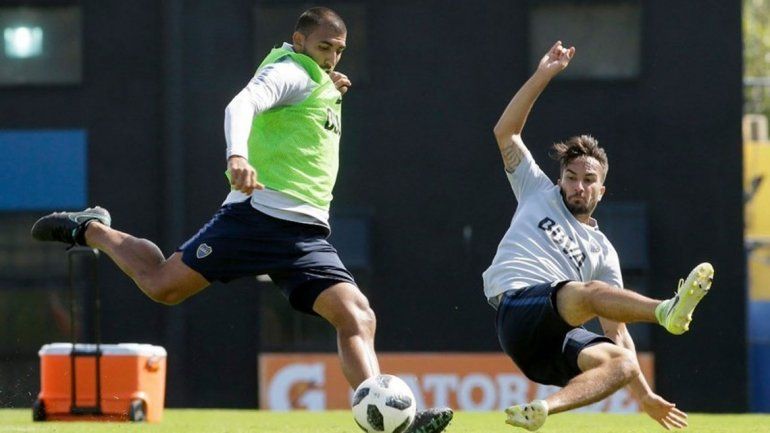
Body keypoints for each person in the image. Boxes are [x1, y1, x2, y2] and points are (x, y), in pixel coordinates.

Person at [31, 7, 452, 432]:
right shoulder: (291, 70)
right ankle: (93, 229)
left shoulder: (316, 78)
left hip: (305, 236)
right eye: (323, 47)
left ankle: (392, 421)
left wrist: (327, 84)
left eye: (339, 50)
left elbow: (303, 108)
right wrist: (237, 156)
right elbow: (241, 103)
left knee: (357, 315)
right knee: (162, 285)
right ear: (299, 40)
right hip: (255, 220)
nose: (331, 57)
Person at [483, 41, 713, 431]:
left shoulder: (603, 250)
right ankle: (666, 310)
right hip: (518, 310)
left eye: (588, 180)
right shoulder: (537, 190)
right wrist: (544, 74)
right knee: (588, 292)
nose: (578, 186)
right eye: (571, 177)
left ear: (601, 191)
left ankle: (542, 410)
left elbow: (616, 331)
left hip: (546, 347)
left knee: (622, 363)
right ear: (560, 180)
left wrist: (645, 396)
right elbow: (505, 132)